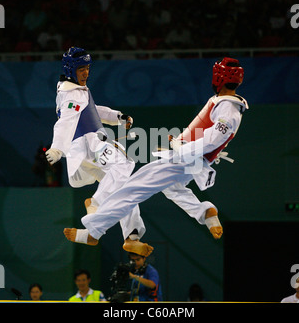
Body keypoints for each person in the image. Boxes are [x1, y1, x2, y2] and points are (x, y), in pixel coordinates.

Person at [63, 57, 248, 245]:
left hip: (187, 158)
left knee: (132, 189)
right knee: (172, 187)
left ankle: (94, 231)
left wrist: (183, 148)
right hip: (188, 157)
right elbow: (206, 133)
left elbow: (214, 139)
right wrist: (180, 144)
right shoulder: (223, 102)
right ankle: (204, 212)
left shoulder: (228, 108)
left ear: (218, 78)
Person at [46, 47, 153, 257]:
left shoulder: (75, 90)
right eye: (81, 69)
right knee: (125, 162)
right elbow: (65, 122)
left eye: (87, 68)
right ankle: (96, 203)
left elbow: (93, 109)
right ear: (70, 70)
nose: (86, 73)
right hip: (90, 144)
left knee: (125, 187)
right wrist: (56, 148)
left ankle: (129, 237)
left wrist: (117, 117)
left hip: (86, 153)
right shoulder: (72, 94)